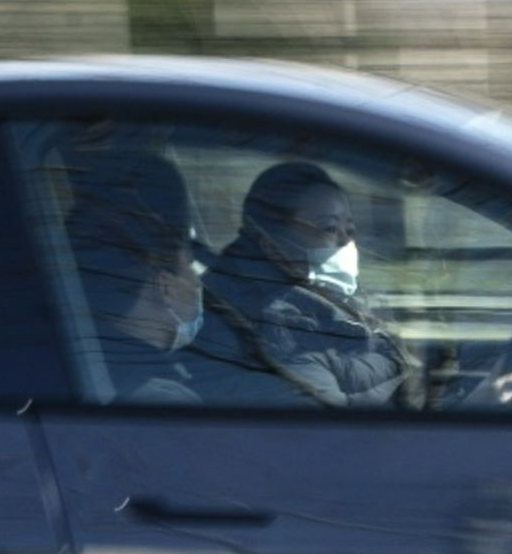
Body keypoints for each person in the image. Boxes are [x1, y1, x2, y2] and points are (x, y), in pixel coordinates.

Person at [194, 158, 415, 408]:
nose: (346, 243)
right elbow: (332, 419)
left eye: (350, 230)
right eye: (329, 229)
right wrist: (409, 379)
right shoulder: (275, 324)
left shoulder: (331, 296)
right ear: (272, 245)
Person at [60, 143, 209, 403]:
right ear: (166, 286)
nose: (197, 280)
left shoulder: (83, 366)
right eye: (190, 262)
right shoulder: (163, 400)